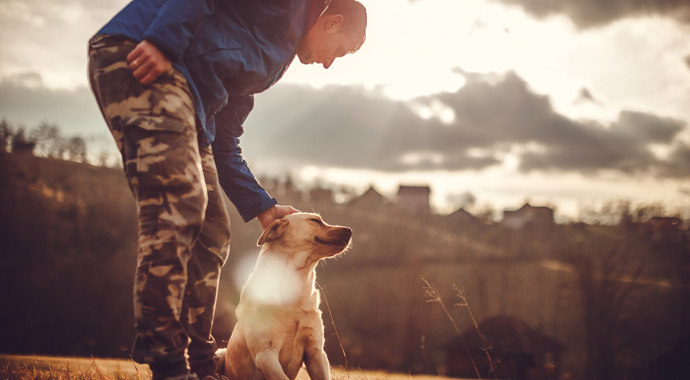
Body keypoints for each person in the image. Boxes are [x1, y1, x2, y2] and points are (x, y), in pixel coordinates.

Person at [87, 0, 367, 379]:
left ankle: (203, 368)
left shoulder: (273, 61)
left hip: (193, 102)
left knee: (213, 231)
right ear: (333, 21)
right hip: (140, 50)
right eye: (340, 51)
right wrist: (164, 40)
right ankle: (167, 363)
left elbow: (225, 142)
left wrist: (263, 207)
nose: (330, 63)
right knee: (182, 203)